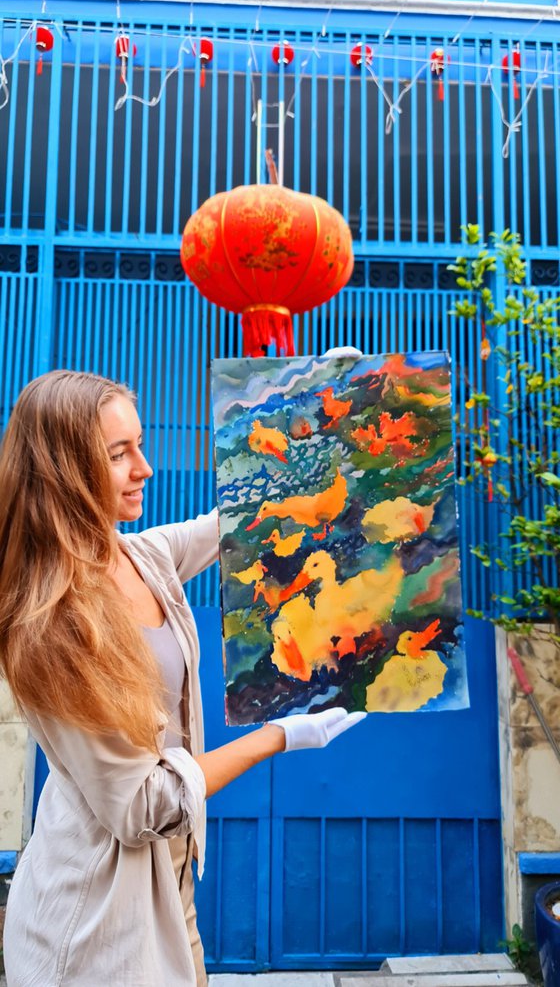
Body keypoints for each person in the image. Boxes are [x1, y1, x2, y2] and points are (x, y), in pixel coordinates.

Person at [0, 369, 365, 987]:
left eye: (139, 445)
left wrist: (313, 405)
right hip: (95, 913)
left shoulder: (139, 555)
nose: (145, 468)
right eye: (119, 455)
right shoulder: (53, 625)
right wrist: (281, 735)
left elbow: (242, 517)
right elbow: (143, 805)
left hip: (171, 877)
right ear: (65, 471)